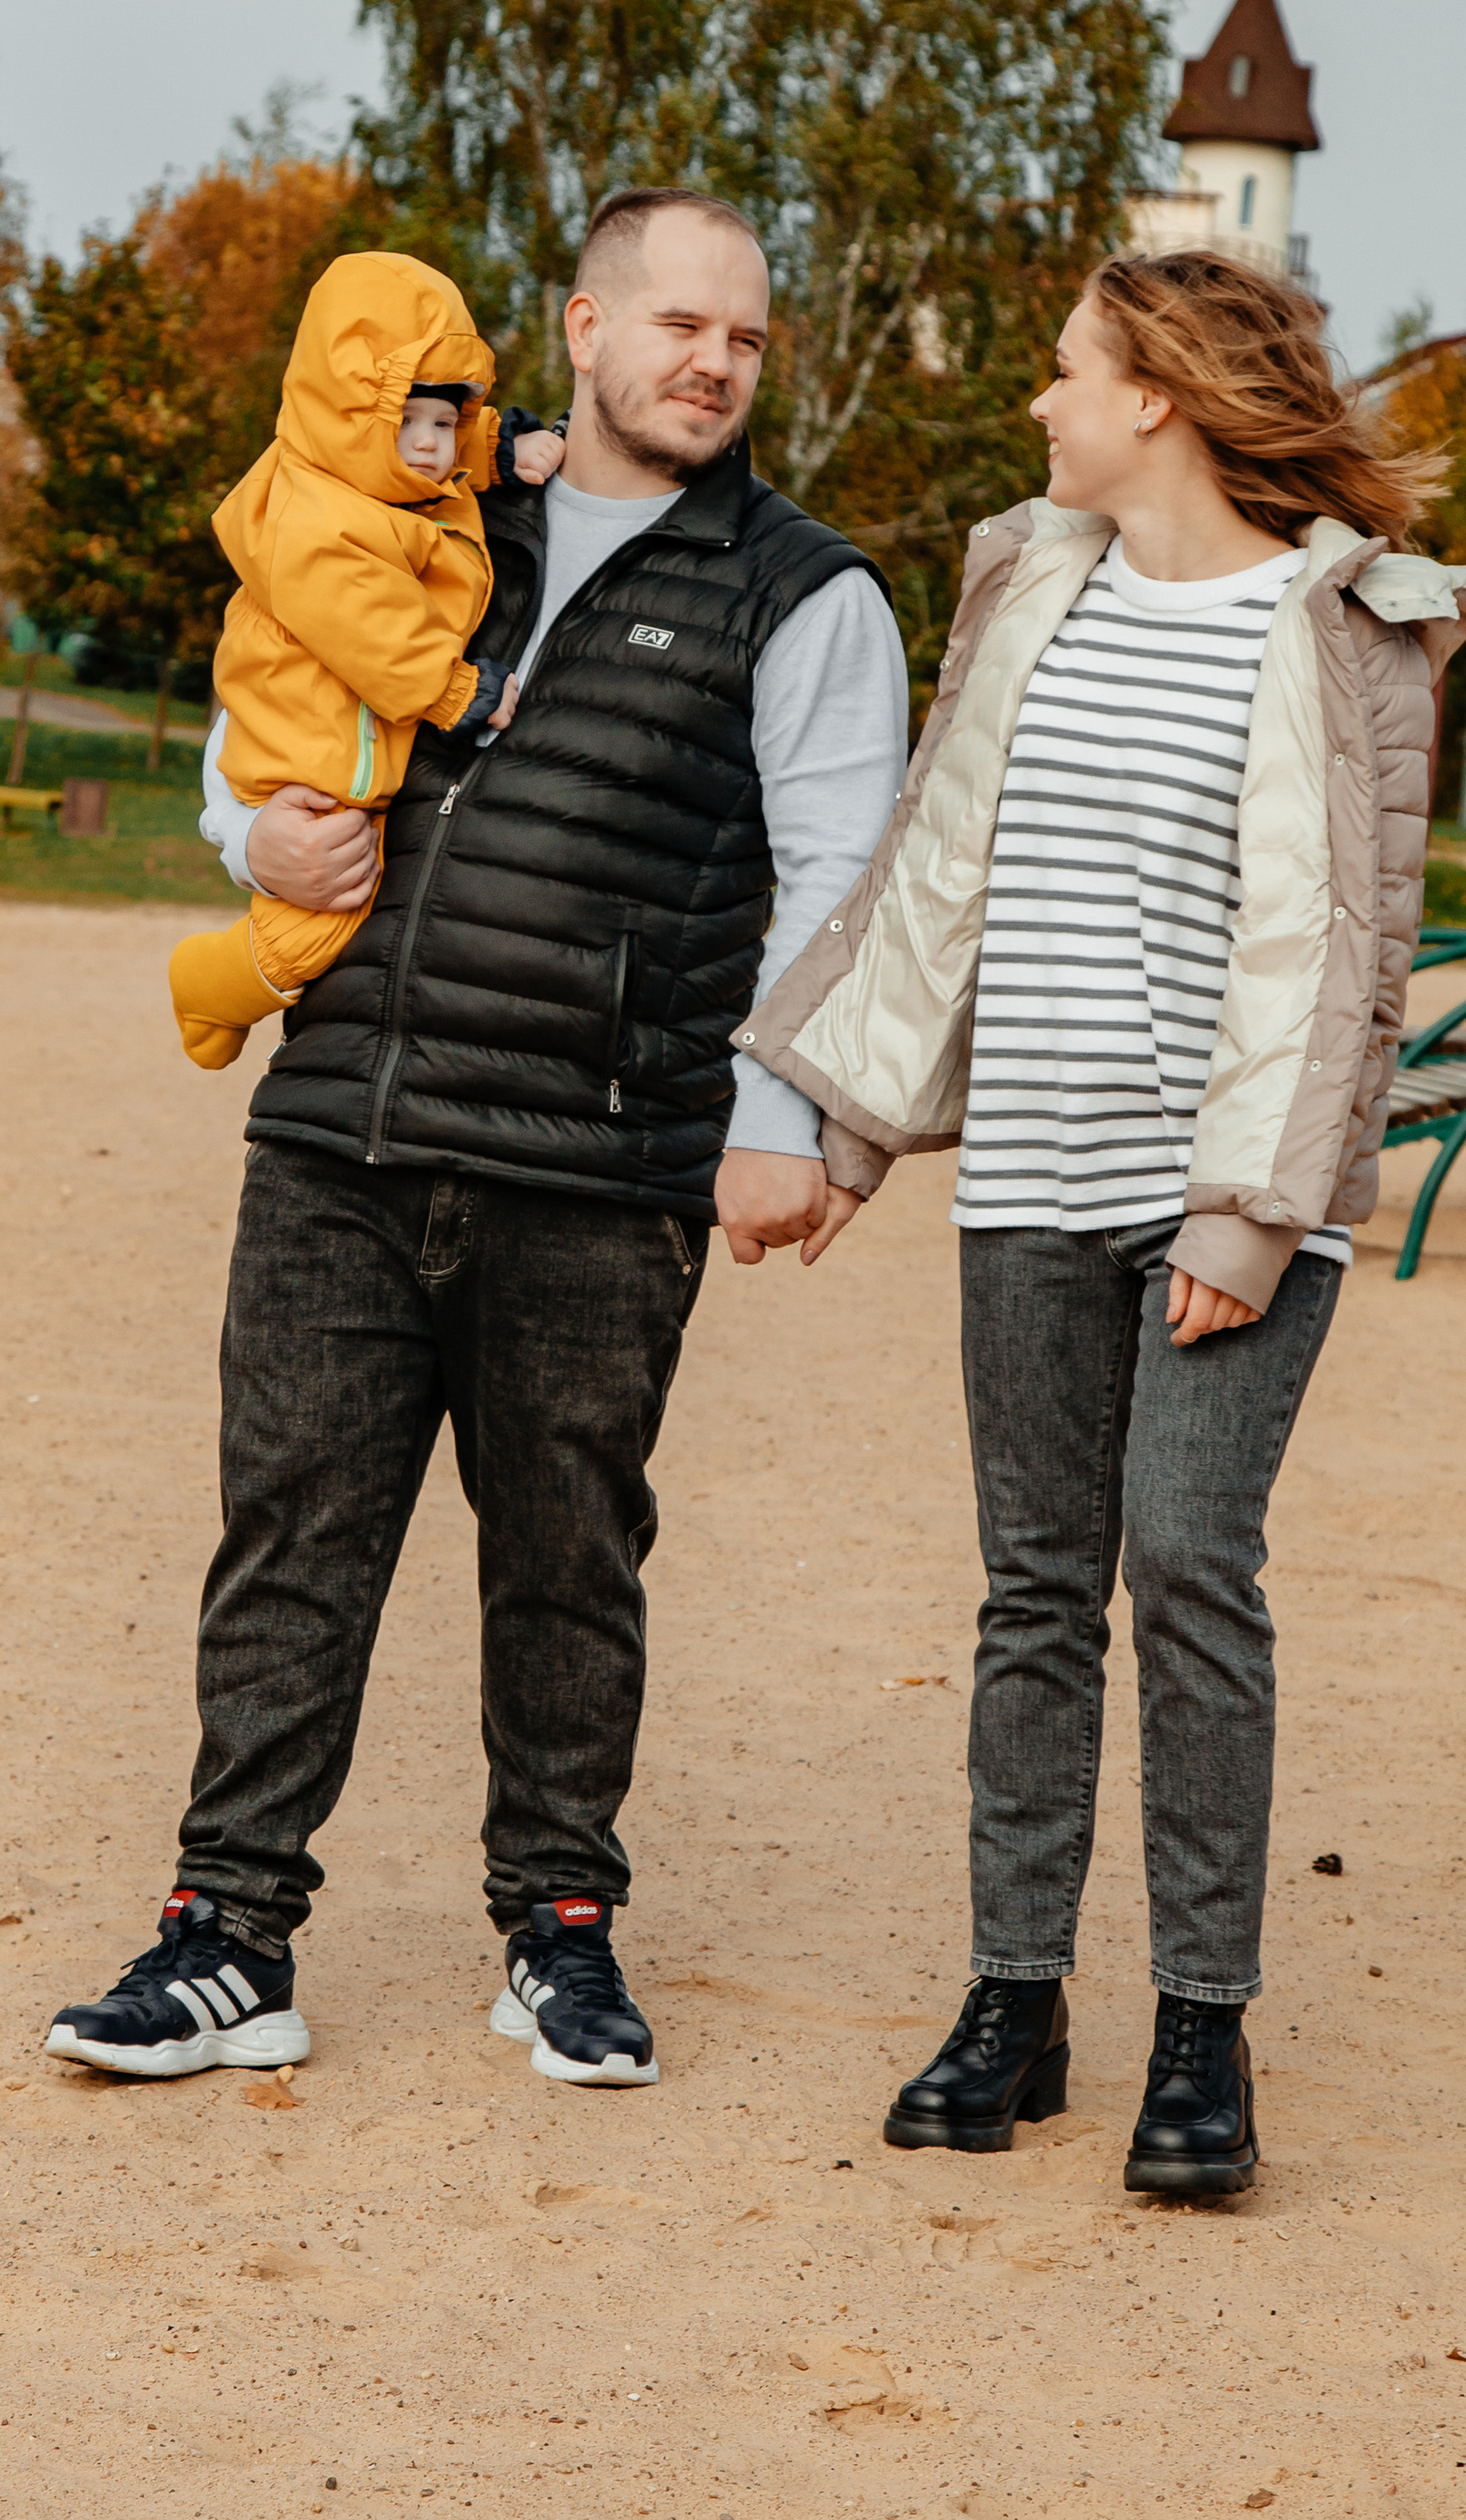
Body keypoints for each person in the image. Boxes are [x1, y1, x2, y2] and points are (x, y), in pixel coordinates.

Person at [47, 186, 910, 2088]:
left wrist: (784, 1124)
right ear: (581, 332)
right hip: (343, 1121)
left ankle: (560, 1931)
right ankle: (225, 1936)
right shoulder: (419, 514)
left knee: (565, 1556)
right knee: (290, 1533)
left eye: (745, 338)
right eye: (676, 323)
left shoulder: (804, 590)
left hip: (603, 1165)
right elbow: (259, 713)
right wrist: (247, 840)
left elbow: (843, 885)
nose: (712, 361)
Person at [744, 249, 1466, 2195]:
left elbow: (1342, 948)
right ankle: (1016, 2001)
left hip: (1228, 1199)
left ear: (1153, 390)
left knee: (1185, 1565)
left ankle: (1199, 2033)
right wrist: (843, 1129)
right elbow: (938, 883)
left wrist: (1242, 1214)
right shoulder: (1028, 586)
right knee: (1029, 1592)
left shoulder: (1334, 627)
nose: (1037, 405)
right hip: (1028, 1186)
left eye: (1062, 370)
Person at [167, 250, 565, 1070]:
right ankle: (213, 982)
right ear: (351, 415)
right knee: (332, 902)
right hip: (310, 726)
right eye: (406, 422)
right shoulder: (318, 519)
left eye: (445, 423)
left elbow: (443, 441)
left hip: (331, 709)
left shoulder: (389, 476)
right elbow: (371, 628)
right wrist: (458, 692)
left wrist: (500, 447)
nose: (427, 448)